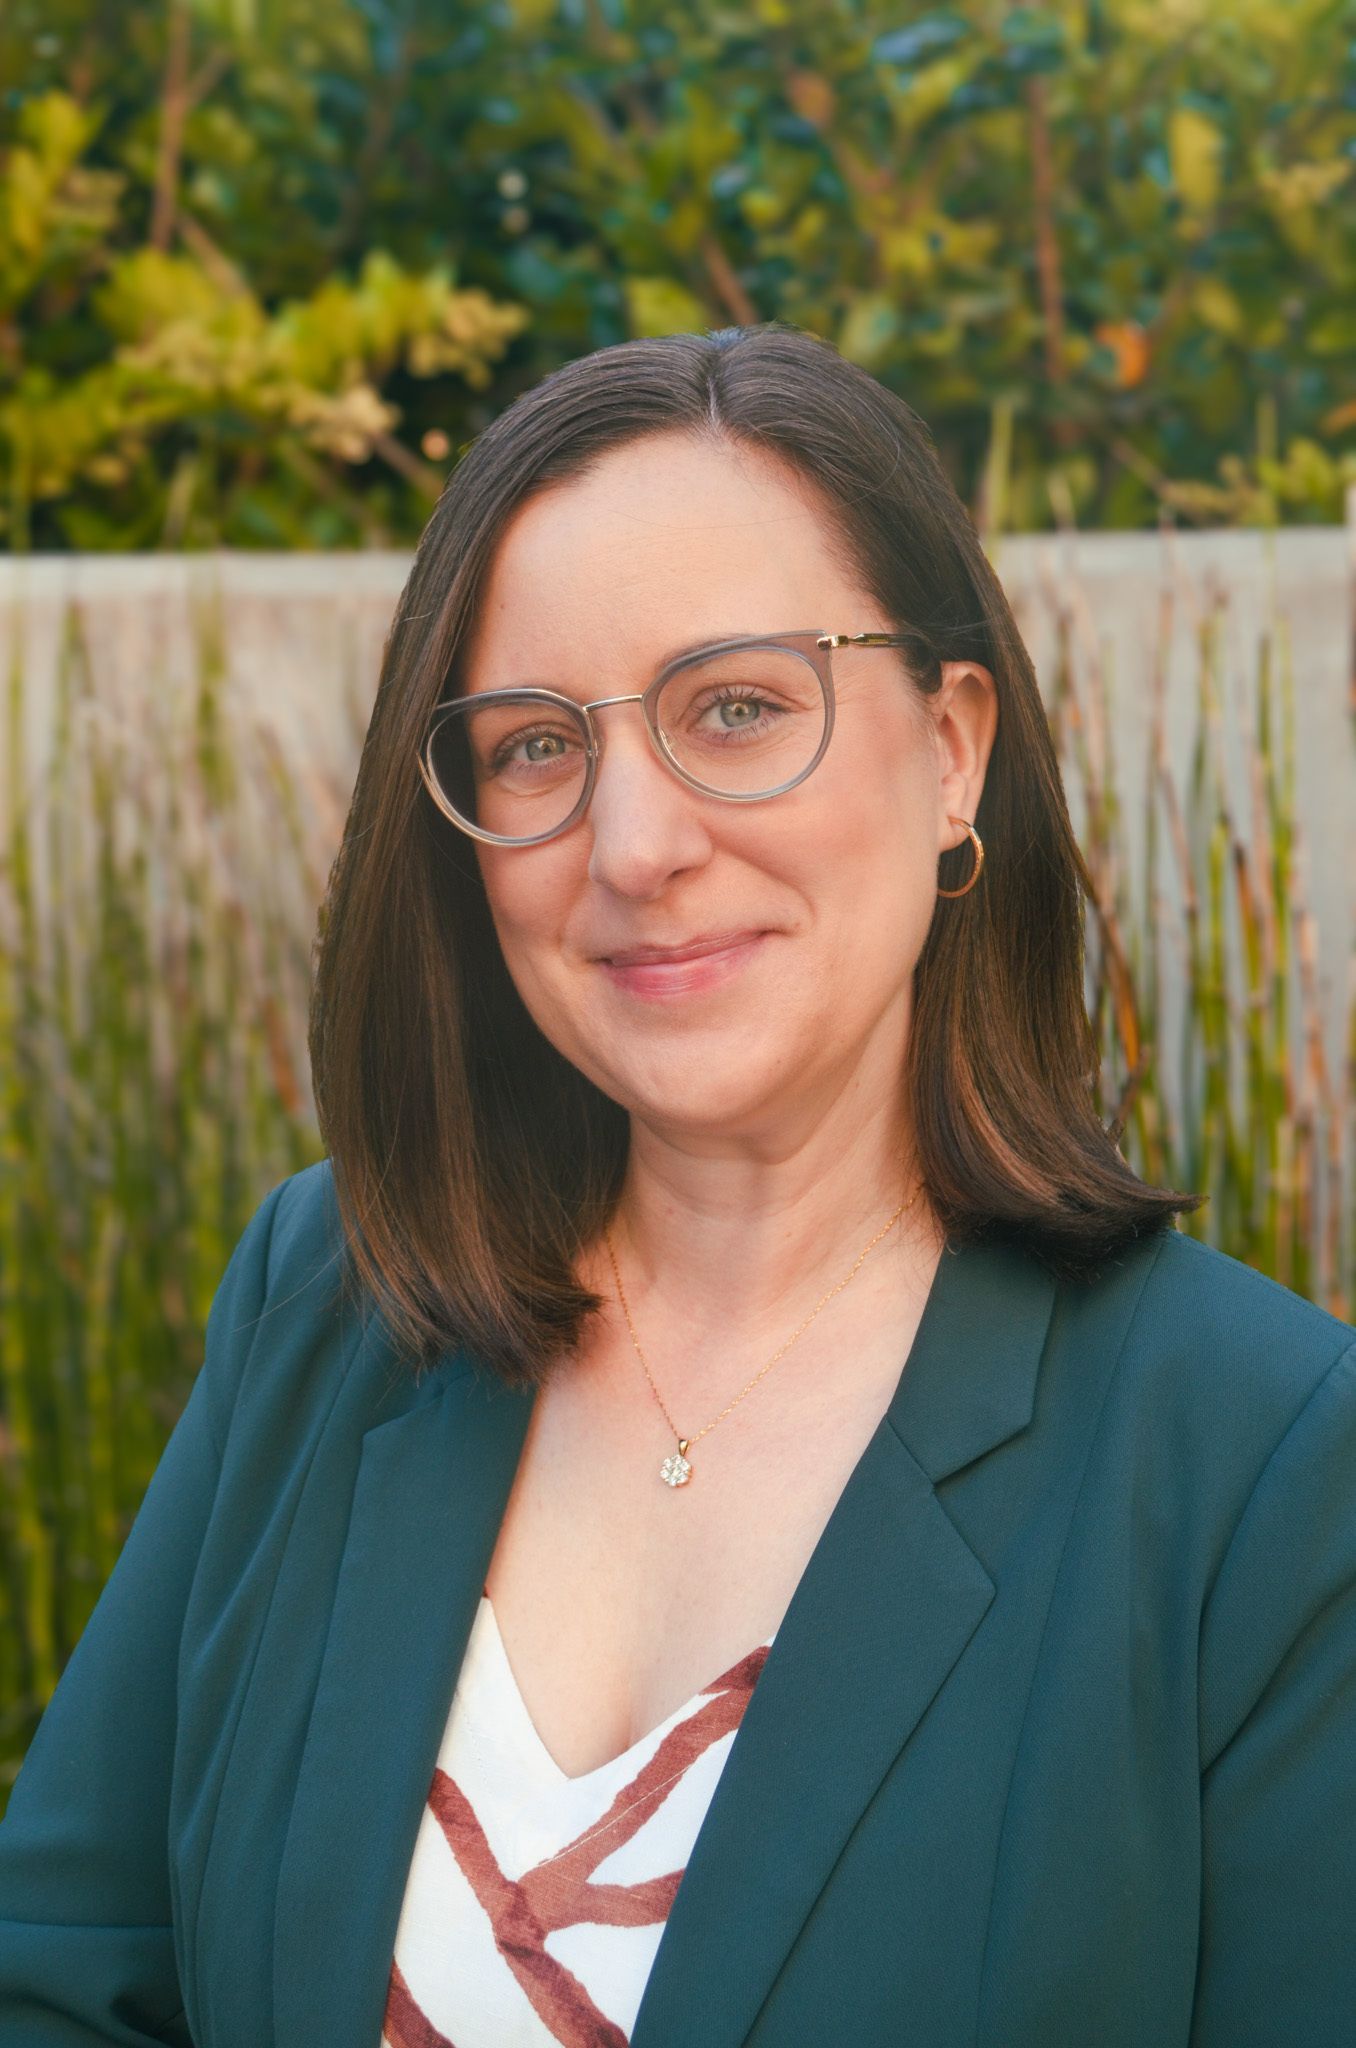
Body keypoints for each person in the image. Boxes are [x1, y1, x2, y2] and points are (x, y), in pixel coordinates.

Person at [1, 324, 1353, 2048]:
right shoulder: (329, 1298)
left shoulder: (1266, 1470)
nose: (634, 845)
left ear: (952, 749)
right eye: (538, 746)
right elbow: (59, 1980)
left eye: (736, 709)